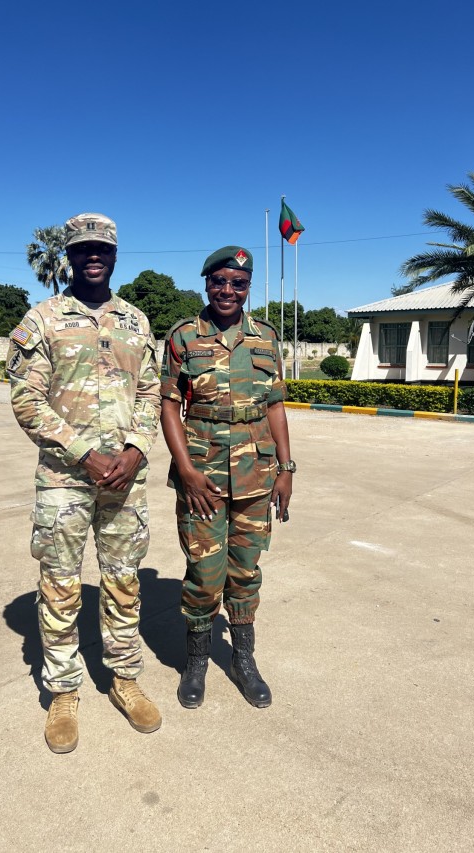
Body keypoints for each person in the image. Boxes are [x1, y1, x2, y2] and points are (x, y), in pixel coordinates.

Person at [7, 212, 162, 753]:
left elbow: (150, 395)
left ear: (115, 255)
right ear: (68, 256)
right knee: (61, 586)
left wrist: (138, 448)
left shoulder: (137, 323)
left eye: (102, 248)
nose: (92, 256)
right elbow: (25, 398)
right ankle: (64, 691)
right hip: (64, 481)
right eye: (82, 249)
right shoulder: (44, 319)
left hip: (126, 480)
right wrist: (82, 453)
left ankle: (124, 678)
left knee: (123, 583)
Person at [160, 246, 295, 710]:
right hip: (204, 477)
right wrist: (186, 470)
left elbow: (275, 404)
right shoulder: (183, 337)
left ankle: (243, 660)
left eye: (237, 284)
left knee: (246, 571)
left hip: (258, 474)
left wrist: (286, 467)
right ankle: (196, 663)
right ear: (206, 284)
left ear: (247, 288)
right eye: (219, 282)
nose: (227, 291)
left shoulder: (265, 337)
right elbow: (169, 405)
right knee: (204, 573)